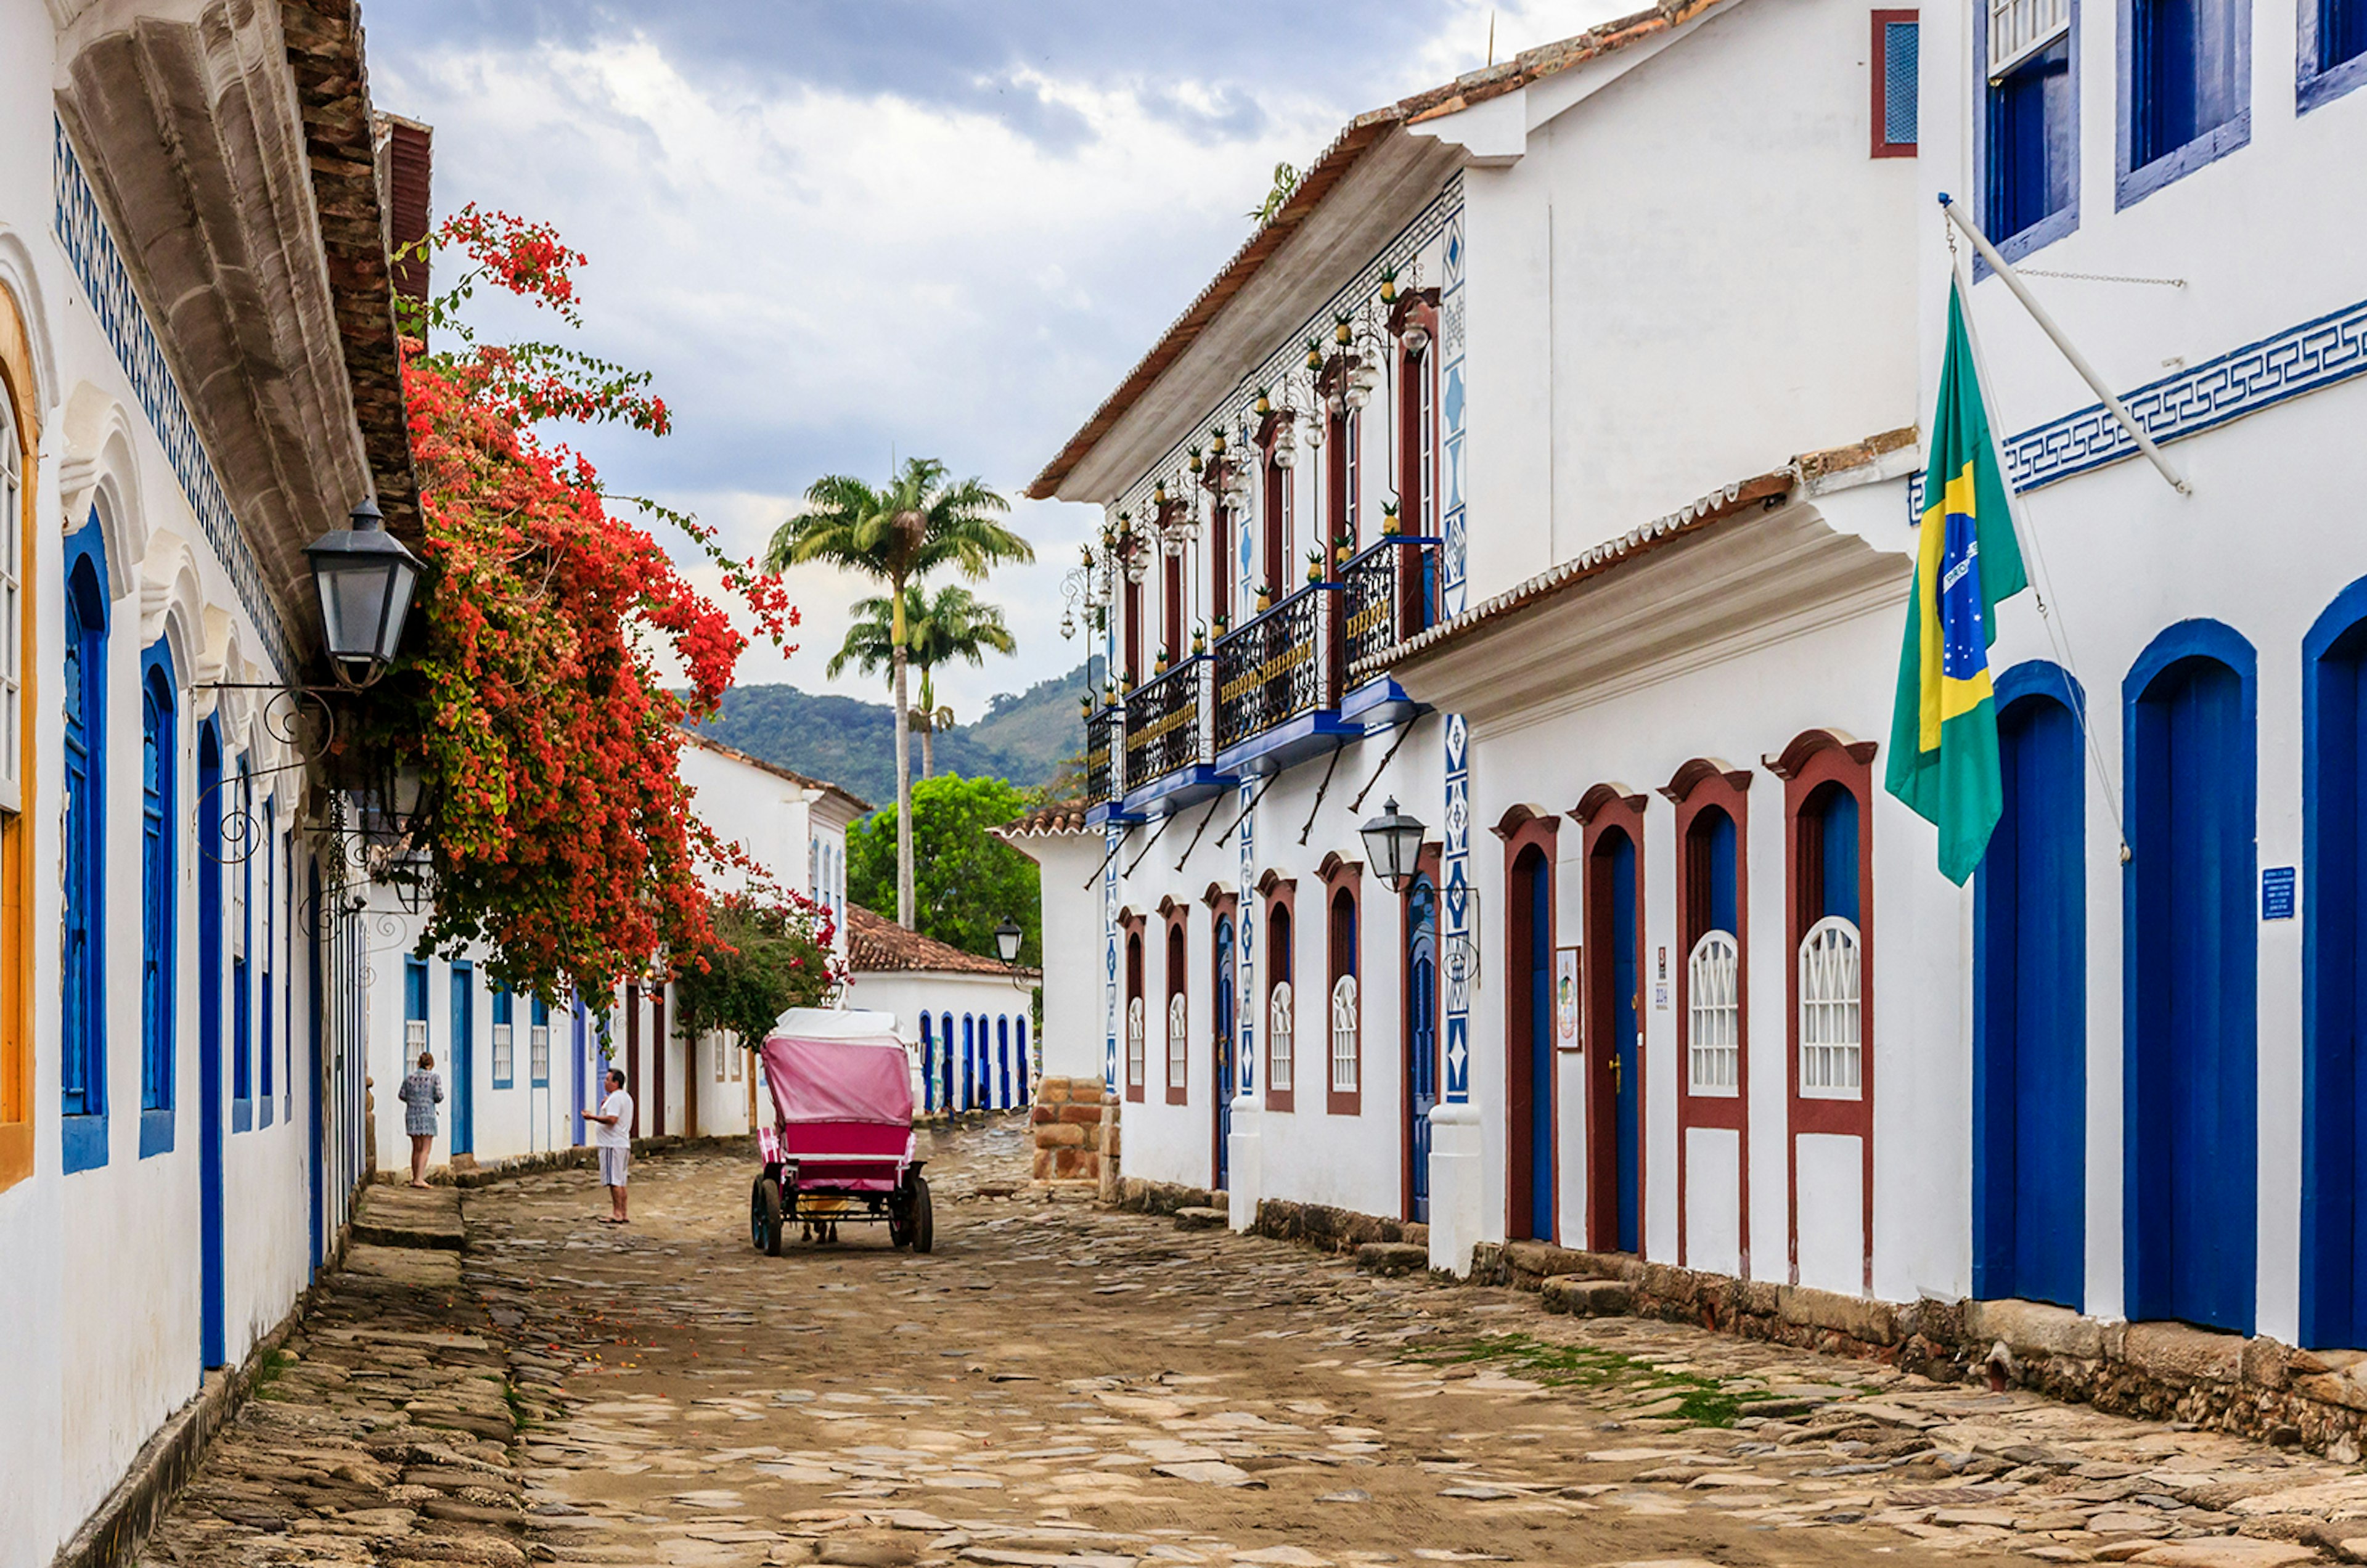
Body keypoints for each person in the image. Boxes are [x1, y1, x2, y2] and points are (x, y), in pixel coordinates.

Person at [579, 1067, 634, 1223]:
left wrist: (593, 1117)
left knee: (614, 1181)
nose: (605, 1082)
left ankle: (617, 1213)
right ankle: (623, 1212)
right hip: (622, 1143)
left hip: (612, 1144)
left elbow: (612, 1120)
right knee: (621, 1180)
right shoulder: (625, 1098)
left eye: (608, 1080)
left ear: (616, 1083)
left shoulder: (616, 1098)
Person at [397, 1051, 443, 1189]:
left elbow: (402, 1095)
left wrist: (414, 1100)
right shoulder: (434, 1078)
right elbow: (439, 1096)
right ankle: (419, 1179)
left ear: (419, 1063)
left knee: (416, 1148)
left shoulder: (409, 1078)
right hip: (427, 1114)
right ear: (432, 1064)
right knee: (425, 1148)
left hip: (412, 1114)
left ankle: (414, 1177)